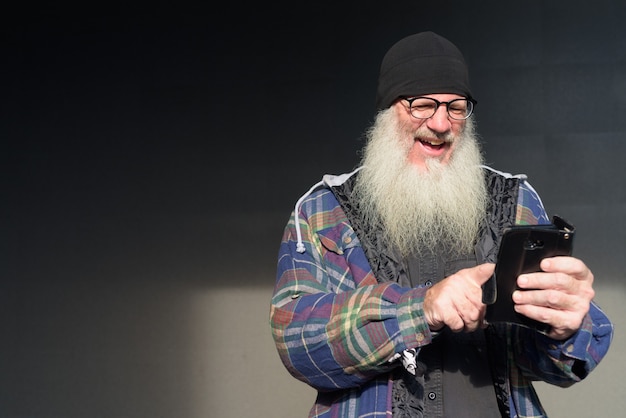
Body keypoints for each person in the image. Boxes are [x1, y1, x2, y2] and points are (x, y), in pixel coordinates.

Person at [269, 31, 613, 418]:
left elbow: (553, 362)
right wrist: (422, 308)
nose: (440, 123)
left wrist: (565, 325)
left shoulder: (511, 199)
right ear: (387, 111)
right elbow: (298, 341)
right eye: (422, 105)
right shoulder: (324, 208)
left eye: (455, 107)